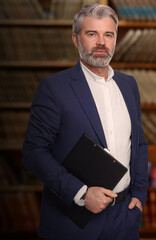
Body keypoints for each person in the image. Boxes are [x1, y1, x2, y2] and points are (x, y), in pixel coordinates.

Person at [22, 3, 148, 240]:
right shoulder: (54, 88)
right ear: (75, 39)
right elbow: (33, 152)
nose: (101, 42)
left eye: (108, 35)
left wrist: (139, 195)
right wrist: (80, 193)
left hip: (124, 217)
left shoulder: (129, 85)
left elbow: (139, 144)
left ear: (115, 39)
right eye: (92, 34)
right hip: (72, 222)